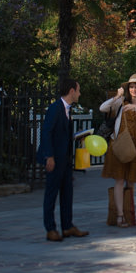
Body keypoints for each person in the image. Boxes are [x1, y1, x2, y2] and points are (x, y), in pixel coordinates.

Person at [36, 78, 89, 242]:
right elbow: (46, 132)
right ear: (72, 91)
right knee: (51, 193)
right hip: (55, 159)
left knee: (67, 193)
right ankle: (50, 228)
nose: (79, 94)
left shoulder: (67, 110)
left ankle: (67, 226)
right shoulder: (55, 108)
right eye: (78, 90)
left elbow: (62, 134)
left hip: (65, 159)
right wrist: (49, 156)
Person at [100, 73, 136, 227]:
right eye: (131, 86)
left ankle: (130, 214)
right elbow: (103, 108)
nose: (134, 89)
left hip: (135, 147)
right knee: (119, 179)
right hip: (119, 145)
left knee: (131, 182)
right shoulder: (121, 102)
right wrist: (117, 96)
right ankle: (120, 216)